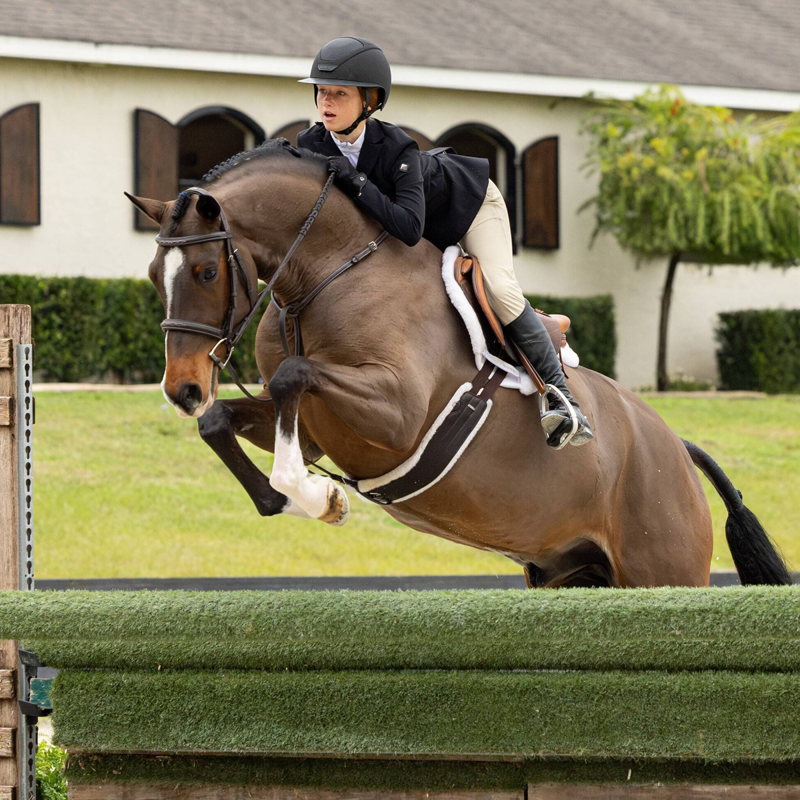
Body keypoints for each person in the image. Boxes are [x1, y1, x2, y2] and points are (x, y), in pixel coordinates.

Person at [297, 37, 593, 449]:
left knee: (500, 289)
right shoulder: (311, 145)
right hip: (418, 227)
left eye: (339, 93)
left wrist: (355, 180)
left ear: (369, 101)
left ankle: (561, 398)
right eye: (322, 92)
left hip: (471, 206)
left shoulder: (395, 146)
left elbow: (409, 227)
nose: (326, 101)